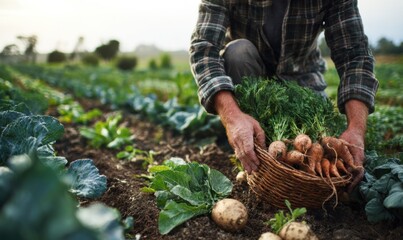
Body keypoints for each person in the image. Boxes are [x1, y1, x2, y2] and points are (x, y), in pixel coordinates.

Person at [189, 0, 379, 193]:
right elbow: (204, 48)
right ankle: (248, 140)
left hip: (302, 79)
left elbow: (354, 56)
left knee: (320, 140)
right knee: (238, 52)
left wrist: (356, 128)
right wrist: (232, 117)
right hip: (248, 78)